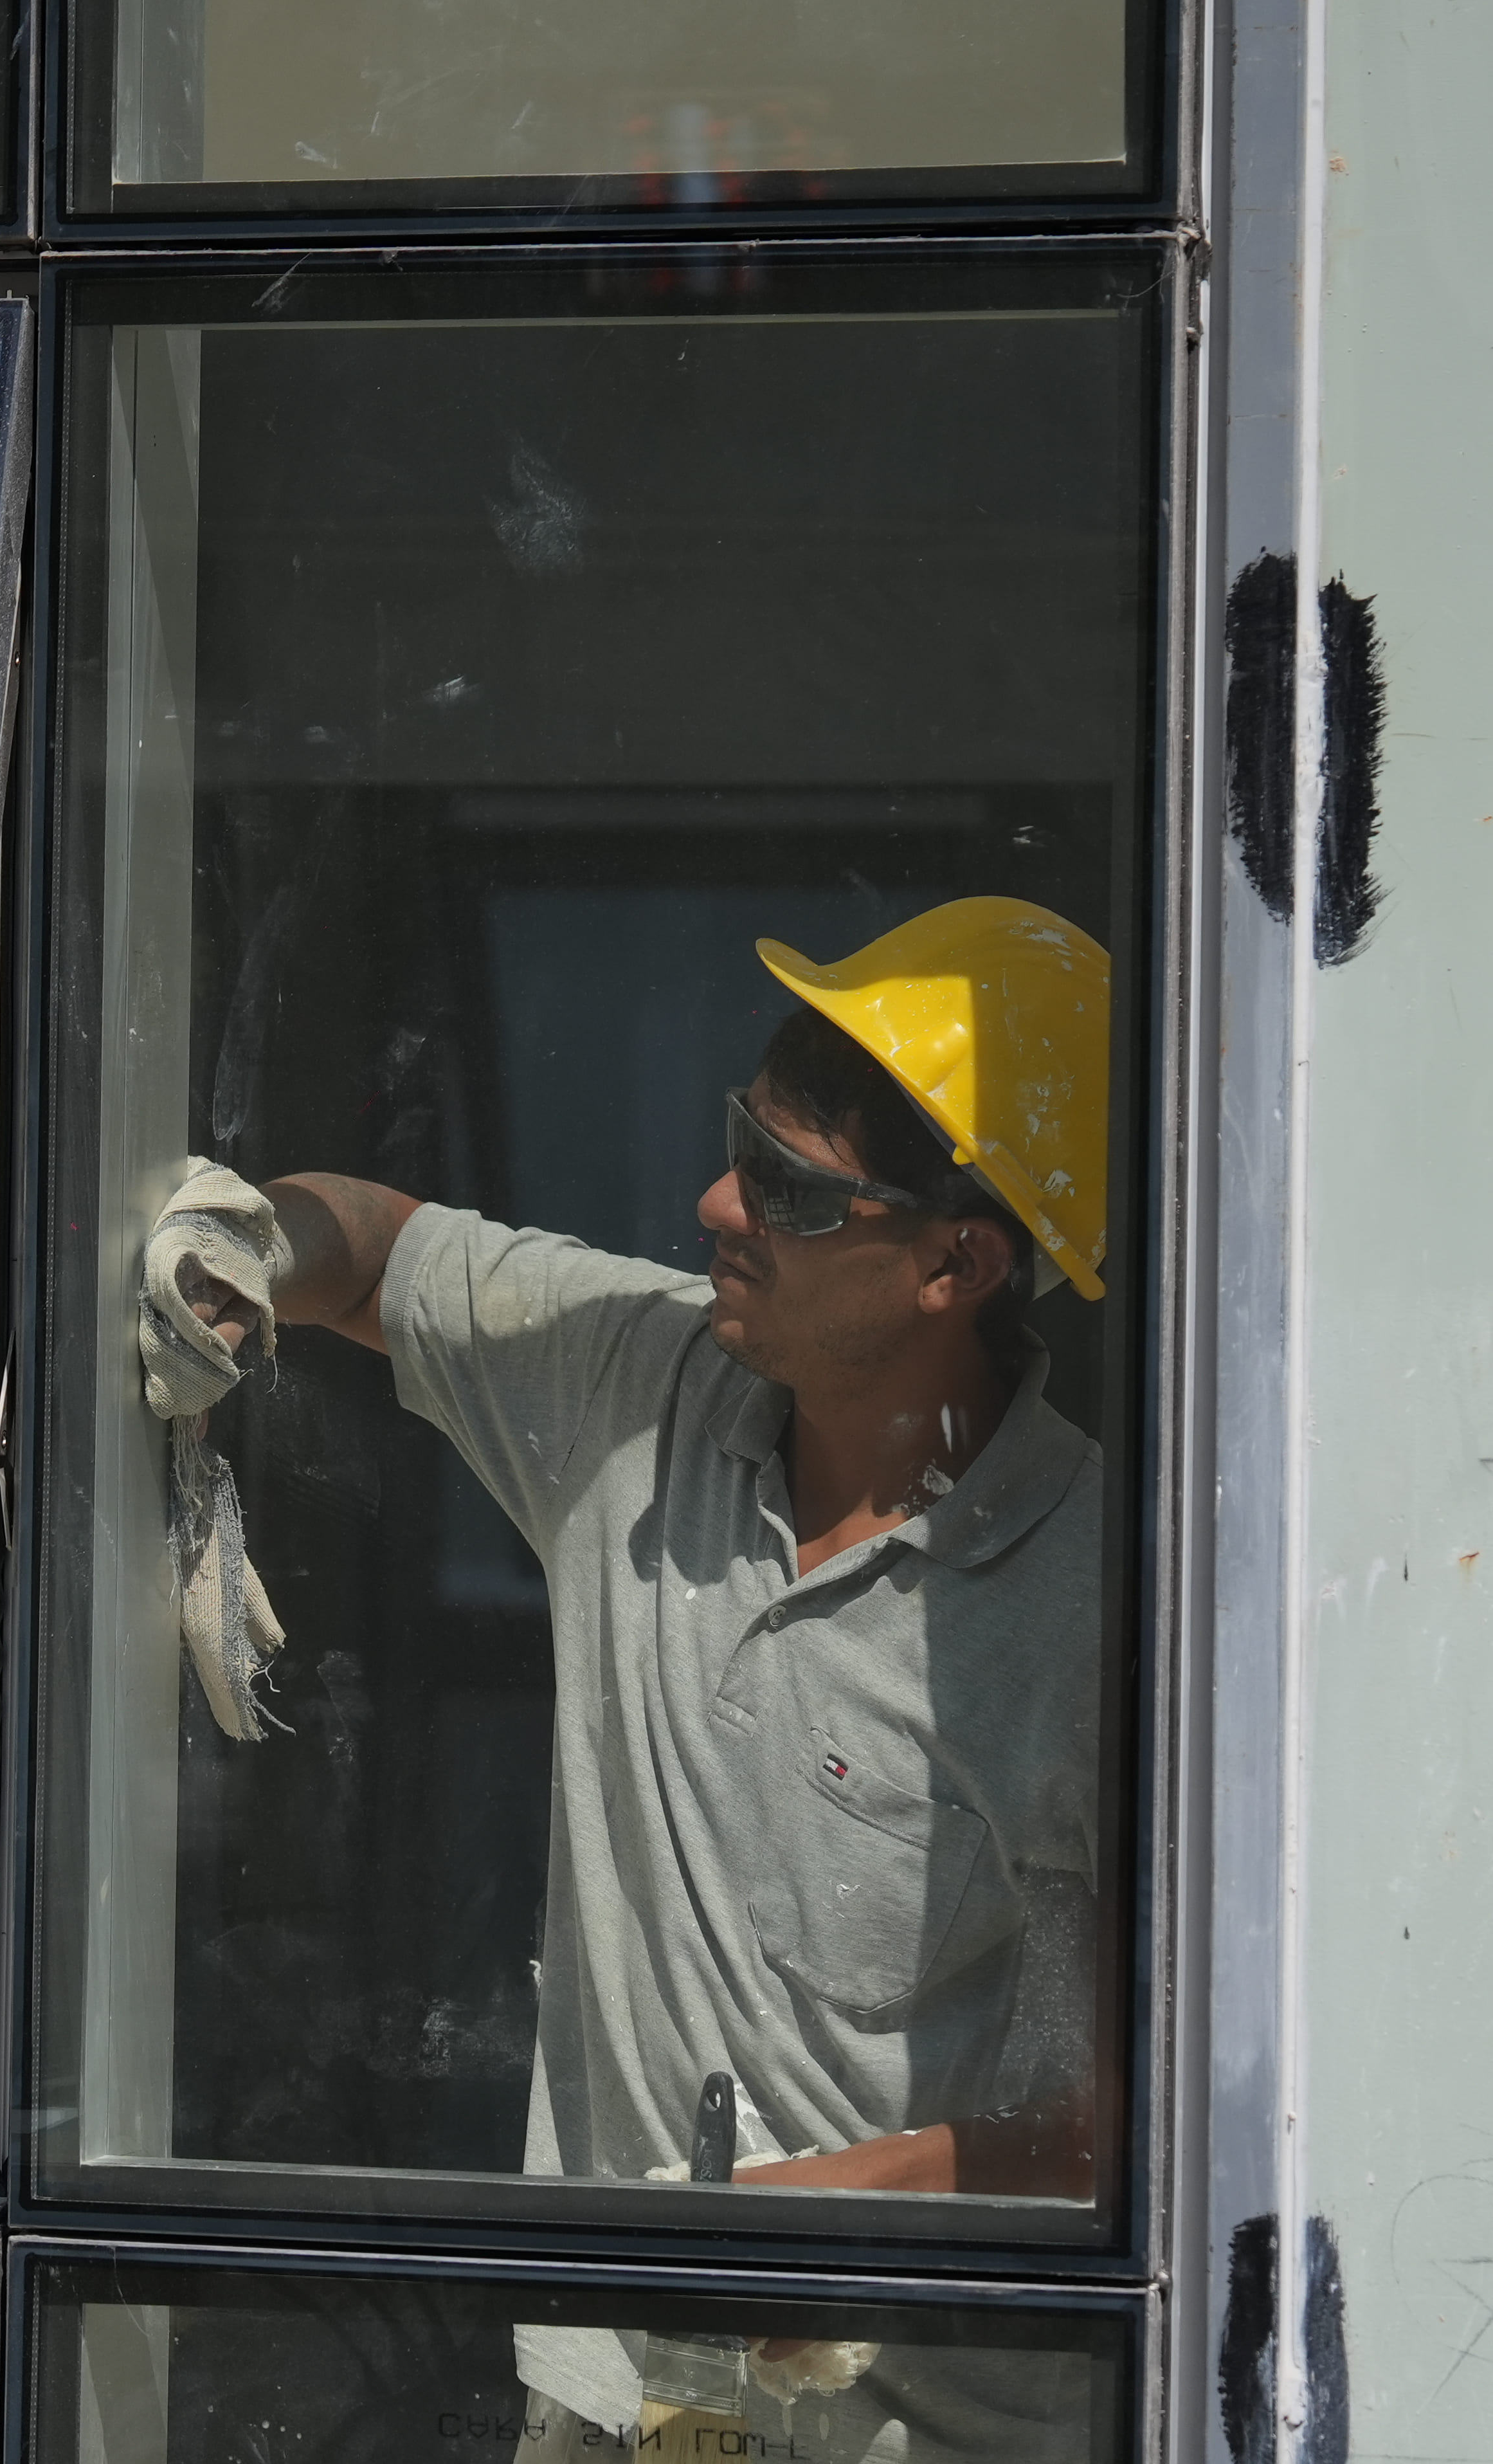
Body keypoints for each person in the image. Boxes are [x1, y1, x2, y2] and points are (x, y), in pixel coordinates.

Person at [163, 896, 1119, 2216]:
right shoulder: (636, 1385)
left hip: (884, 2354)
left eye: (789, 1189)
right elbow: (374, 1250)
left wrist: (790, 2227)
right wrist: (236, 1256)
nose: (719, 1202)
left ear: (957, 1263)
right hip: (599, 2337)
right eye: (741, 1143)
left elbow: (1113, 2138)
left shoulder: (1100, 1612)